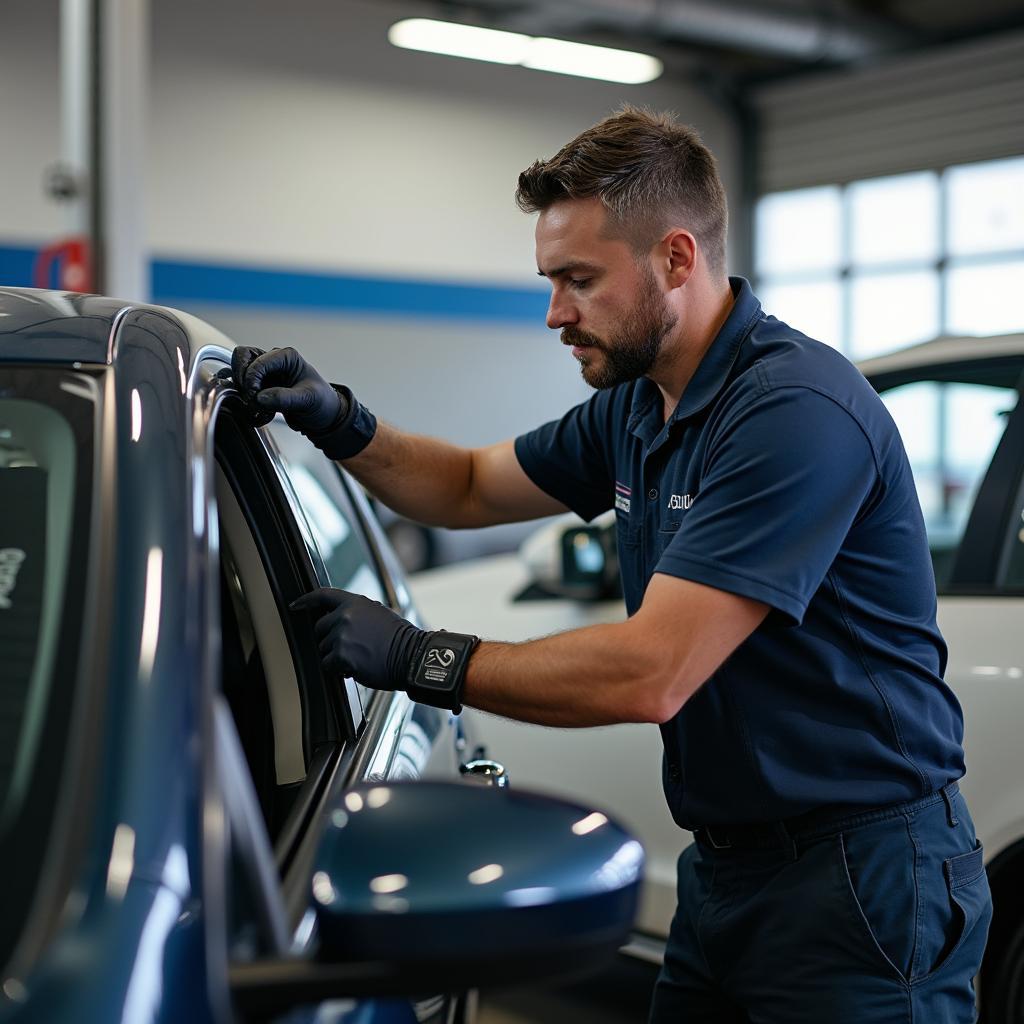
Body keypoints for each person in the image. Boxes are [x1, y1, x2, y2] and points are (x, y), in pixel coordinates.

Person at [232, 106, 991, 1023]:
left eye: (578, 280)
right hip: (729, 865)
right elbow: (470, 486)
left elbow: (652, 672)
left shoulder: (793, 411)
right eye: (552, 280)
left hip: (860, 878)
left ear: (677, 259)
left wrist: (420, 658)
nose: (556, 313)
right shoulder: (639, 405)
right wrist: (344, 423)